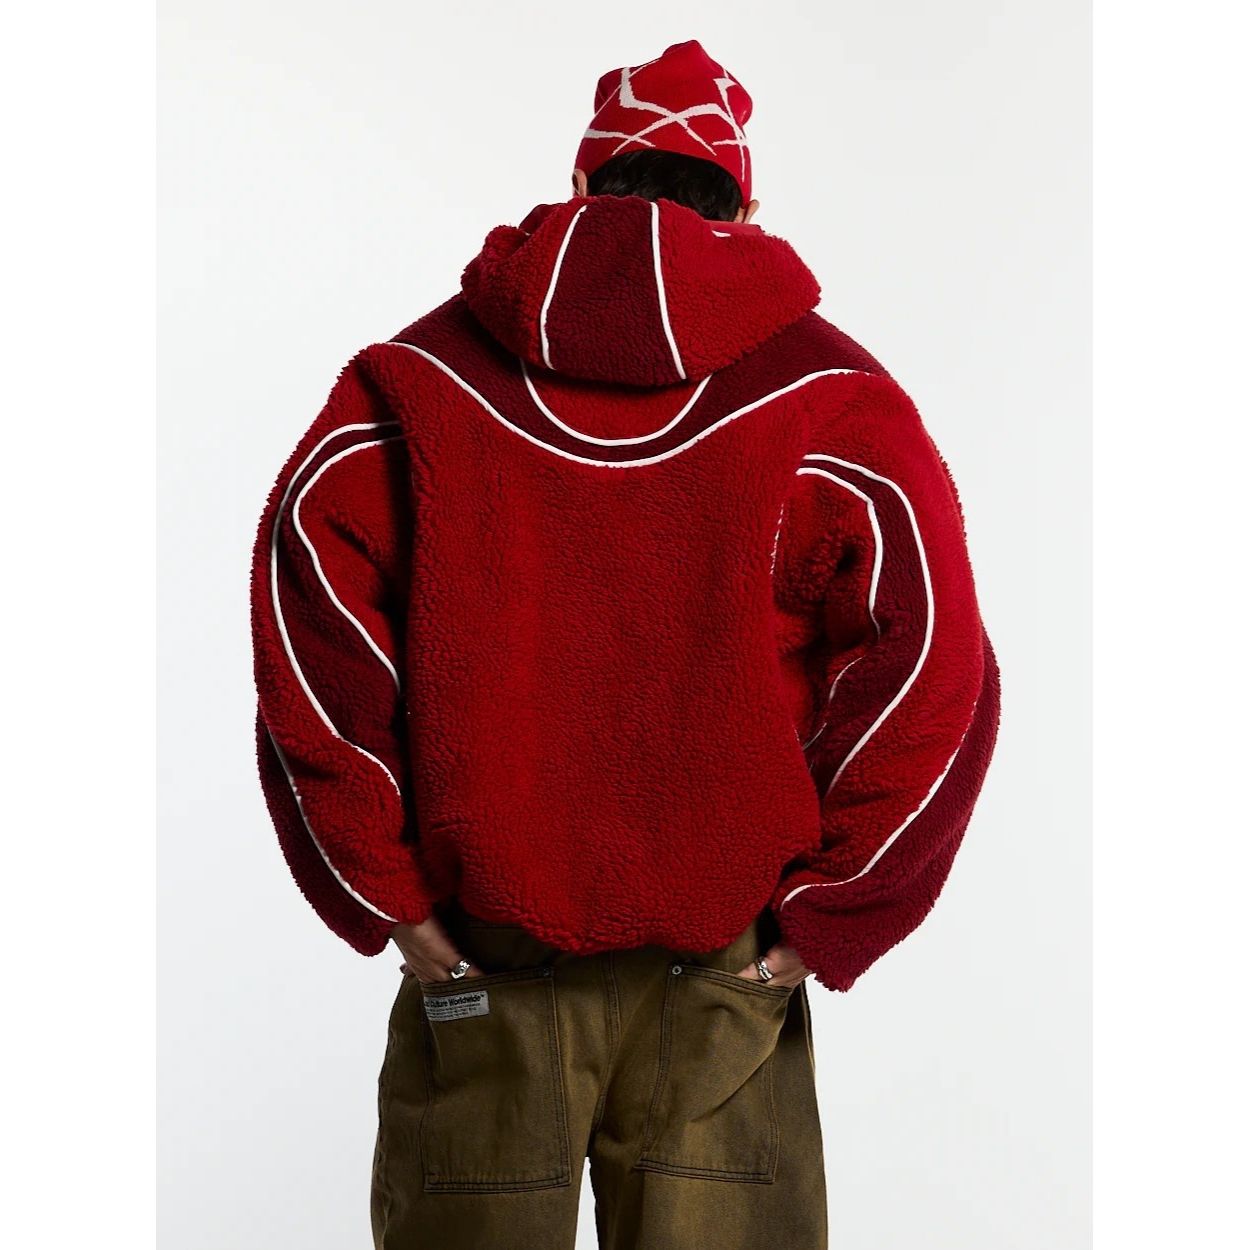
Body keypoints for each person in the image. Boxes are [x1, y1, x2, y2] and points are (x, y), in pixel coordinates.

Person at [249, 37, 1001, 1250]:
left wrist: (387, 898)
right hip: (719, 978)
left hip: (483, 962)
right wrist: (825, 919)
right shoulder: (830, 398)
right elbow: (933, 672)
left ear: (581, 185)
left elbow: (310, 625)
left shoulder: (420, 379)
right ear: (743, 205)